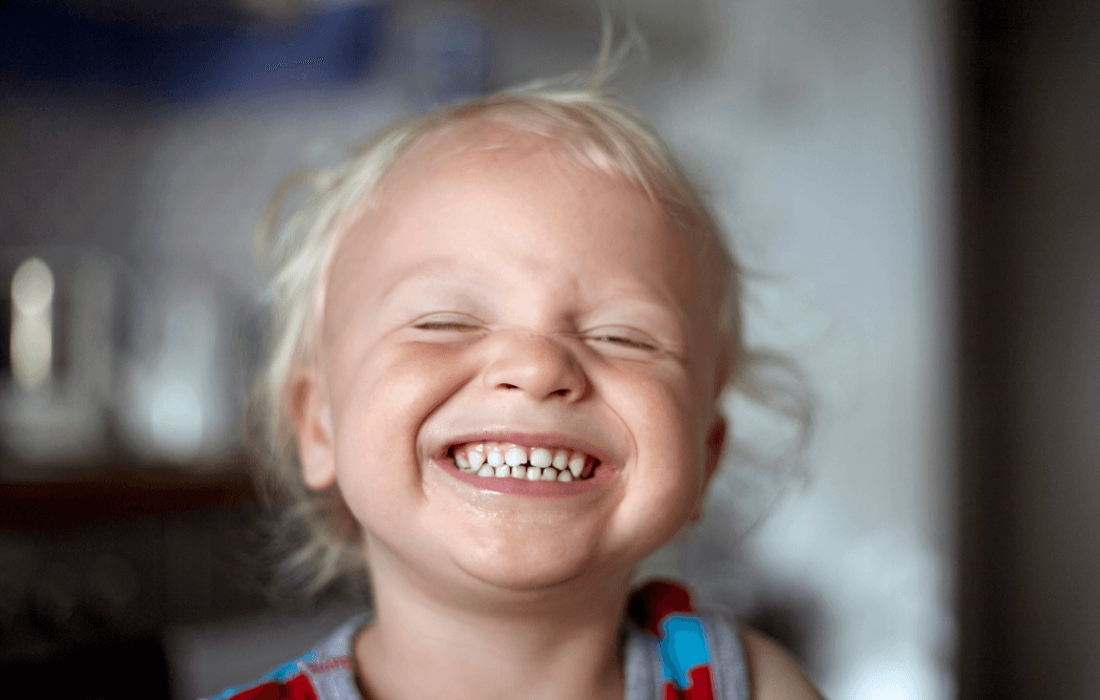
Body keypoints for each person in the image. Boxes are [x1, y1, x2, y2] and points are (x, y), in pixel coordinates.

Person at [213, 76, 823, 700]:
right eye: (443, 322)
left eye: (624, 337)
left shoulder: (753, 687)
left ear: (706, 452)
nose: (537, 367)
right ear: (319, 426)